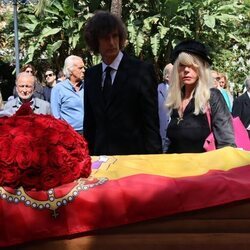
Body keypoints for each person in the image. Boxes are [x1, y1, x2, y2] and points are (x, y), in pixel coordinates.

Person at [83, 10, 162, 155]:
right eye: (105, 38)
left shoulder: (141, 71)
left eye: (115, 36)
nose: (112, 42)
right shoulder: (91, 75)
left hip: (134, 159)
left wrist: (153, 162)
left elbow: (151, 123)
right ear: (95, 41)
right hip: (100, 160)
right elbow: (90, 123)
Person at [166, 40, 235, 153]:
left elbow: (227, 144)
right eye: (182, 65)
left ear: (201, 68)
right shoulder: (175, 99)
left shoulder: (212, 97)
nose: (186, 70)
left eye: (192, 65)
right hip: (176, 168)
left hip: (206, 169)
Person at [50, 55, 84, 135]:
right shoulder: (58, 89)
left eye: (83, 67)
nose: (83, 70)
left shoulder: (88, 86)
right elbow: (56, 116)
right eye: (80, 68)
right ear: (70, 70)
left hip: (89, 132)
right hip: (70, 134)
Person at [158, 63, 173, 153]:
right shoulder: (157, 90)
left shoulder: (182, 91)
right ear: (167, 77)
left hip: (175, 137)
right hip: (162, 136)